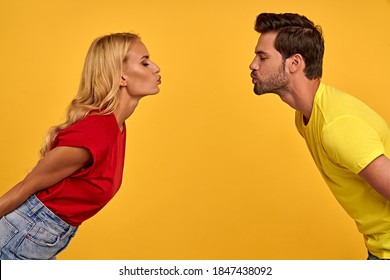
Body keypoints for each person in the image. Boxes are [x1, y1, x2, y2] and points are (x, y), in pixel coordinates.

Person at [0, 32, 161, 260]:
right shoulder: (95, 132)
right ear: (121, 77)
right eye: (145, 62)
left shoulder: (116, 127)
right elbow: (25, 188)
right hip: (23, 235)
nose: (156, 68)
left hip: (40, 237)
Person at [249, 12, 390, 260]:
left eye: (262, 57)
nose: (253, 64)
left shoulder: (337, 126)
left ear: (294, 63)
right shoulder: (305, 117)